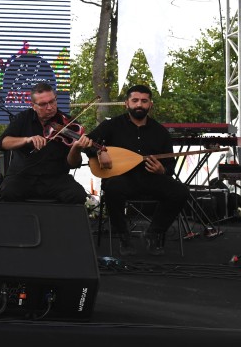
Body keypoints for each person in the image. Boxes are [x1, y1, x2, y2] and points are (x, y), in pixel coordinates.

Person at [78, 84, 189, 256]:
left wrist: (162, 170)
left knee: (180, 191)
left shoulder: (160, 131)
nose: (139, 104)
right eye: (135, 100)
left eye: (144, 101)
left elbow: (170, 165)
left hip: (151, 179)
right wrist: (99, 152)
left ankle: (154, 233)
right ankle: (124, 236)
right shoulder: (111, 126)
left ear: (150, 104)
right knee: (112, 188)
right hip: (121, 179)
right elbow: (87, 142)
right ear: (126, 103)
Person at [0, 82, 88, 204]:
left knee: (77, 194)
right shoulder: (23, 118)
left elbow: (73, 164)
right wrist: (27, 139)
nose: (49, 107)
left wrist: (76, 148)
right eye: (43, 104)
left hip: (56, 178)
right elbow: (2, 143)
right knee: (8, 192)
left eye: (52, 101)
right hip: (23, 176)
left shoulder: (69, 124)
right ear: (33, 106)